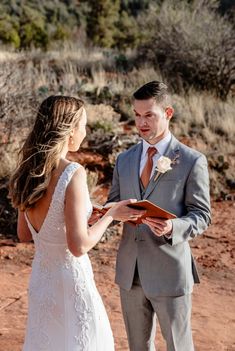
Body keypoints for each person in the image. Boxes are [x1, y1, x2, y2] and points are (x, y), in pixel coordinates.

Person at [9, 95, 144, 351]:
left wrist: (82, 216)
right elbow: (78, 246)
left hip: (42, 283)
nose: (85, 132)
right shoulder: (73, 173)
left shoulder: (27, 170)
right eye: (83, 125)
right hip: (71, 283)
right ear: (70, 130)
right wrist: (110, 215)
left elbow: (24, 233)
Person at [107, 81, 211, 351]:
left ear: (168, 113)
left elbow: (201, 215)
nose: (141, 122)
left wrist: (172, 227)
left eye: (149, 114)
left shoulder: (191, 161)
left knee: (179, 346)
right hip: (130, 273)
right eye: (137, 114)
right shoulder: (124, 160)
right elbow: (112, 203)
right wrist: (112, 213)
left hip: (170, 272)